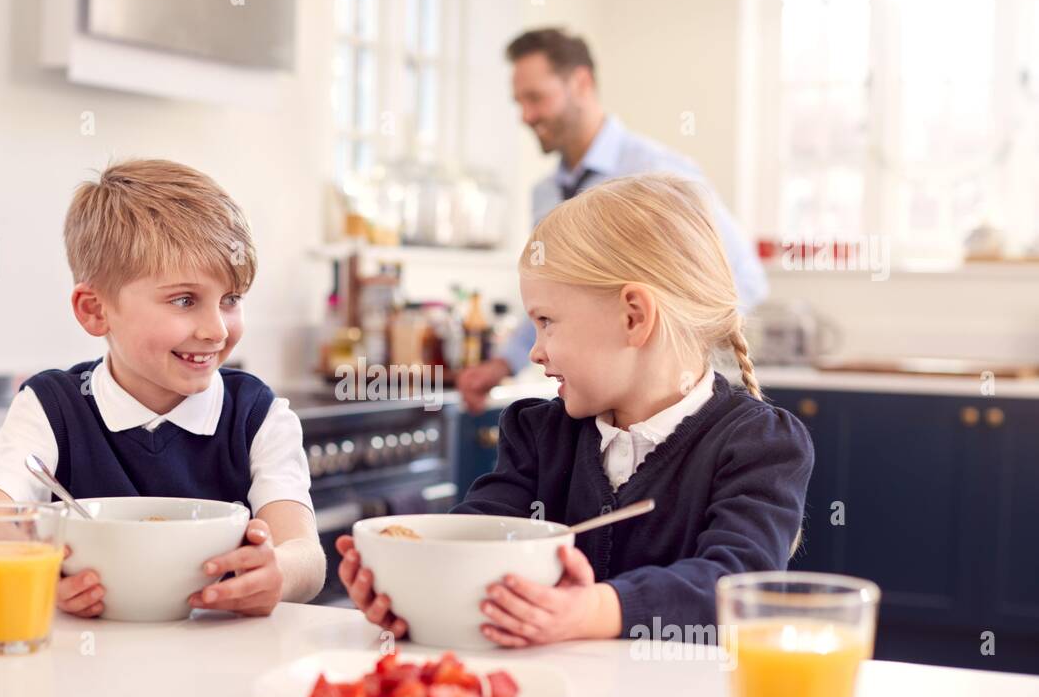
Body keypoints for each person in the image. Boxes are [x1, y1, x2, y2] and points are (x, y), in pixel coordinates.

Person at [337, 174, 812, 646]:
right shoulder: (536, 434)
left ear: (634, 317)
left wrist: (593, 610)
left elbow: (734, 586)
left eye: (547, 321)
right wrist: (412, 586)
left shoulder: (761, 446)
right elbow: (478, 537)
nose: (535, 352)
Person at [0, 160, 326, 617]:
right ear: (95, 311)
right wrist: (41, 574)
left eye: (230, 300)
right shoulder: (51, 408)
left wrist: (277, 572)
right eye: (184, 300)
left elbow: (307, 556)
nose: (215, 330)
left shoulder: (258, 416)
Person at [456, 28, 767, 413]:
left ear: (581, 83)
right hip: (602, 412)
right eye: (519, 102)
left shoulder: (657, 173)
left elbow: (744, 279)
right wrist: (505, 362)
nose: (526, 115)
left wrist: (661, 362)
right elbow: (552, 298)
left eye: (536, 98)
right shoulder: (544, 195)